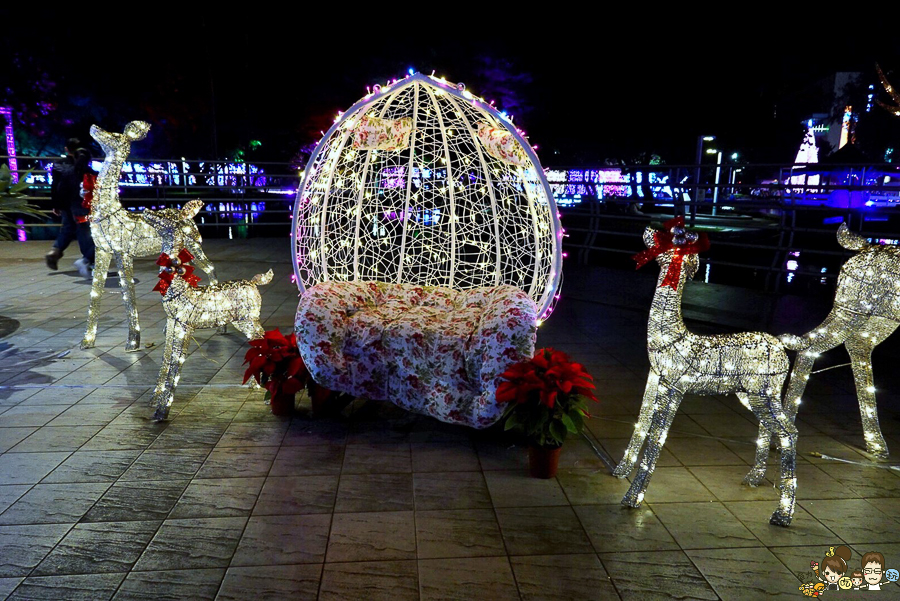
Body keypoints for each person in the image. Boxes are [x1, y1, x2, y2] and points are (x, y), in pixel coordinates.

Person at [46, 139, 96, 278]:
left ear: (67, 149)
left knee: (68, 228)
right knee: (84, 231)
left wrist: (57, 204)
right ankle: (88, 260)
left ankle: (55, 251)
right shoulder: (85, 168)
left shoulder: (59, 165)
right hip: (81, 203)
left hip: (67, 201)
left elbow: (56, 186)